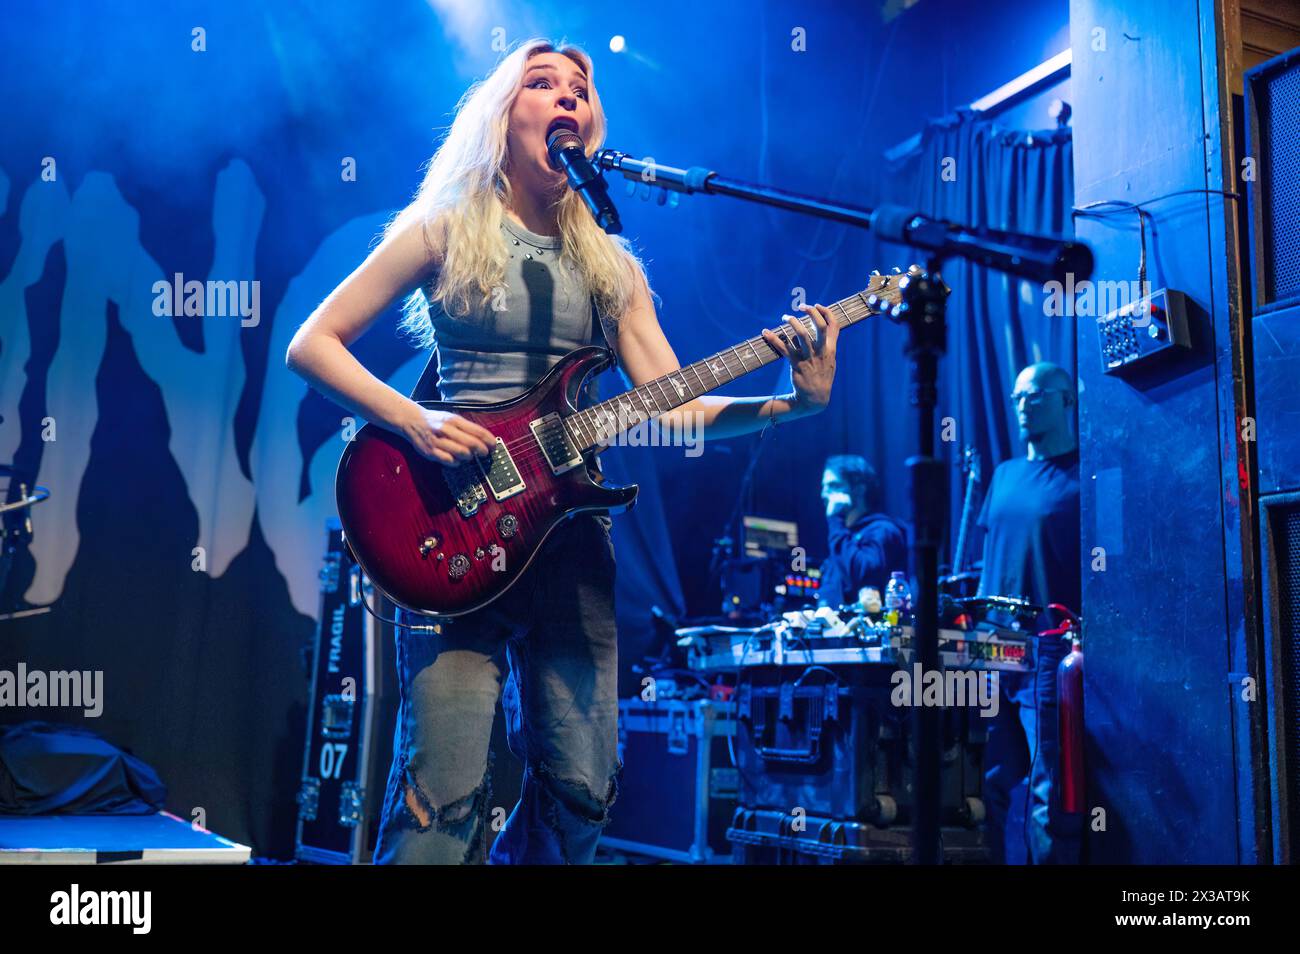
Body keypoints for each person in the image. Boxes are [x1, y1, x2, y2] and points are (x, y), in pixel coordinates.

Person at [285, 38, 840, 864]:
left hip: (569, 540)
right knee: (443, 798)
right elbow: (313, 342)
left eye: (579, 89)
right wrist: (414, 419)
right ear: (503, 117)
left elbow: (673, 407)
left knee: (583, 792)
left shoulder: (610, 263)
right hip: (454, 522)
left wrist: (792, 404)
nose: (565, 99)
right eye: (541, 85)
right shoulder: (442, 228)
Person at [976, 361, 1083, 864]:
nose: (1023, 404)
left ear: (1066, 401)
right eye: (1018, 396)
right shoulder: (1004, 474)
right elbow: (990, 556)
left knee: (1048, 787)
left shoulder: (1086, 475)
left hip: (1047, 648)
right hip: (991, 647)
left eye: (1037, 395)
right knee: (987, 782)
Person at [817, 455, 908, 608]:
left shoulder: (882, 530)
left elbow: (864, 575)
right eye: (824, 487)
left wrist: (835, 520)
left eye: (834, 485)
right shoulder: (844, 535)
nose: (824, 494)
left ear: (859, 489)